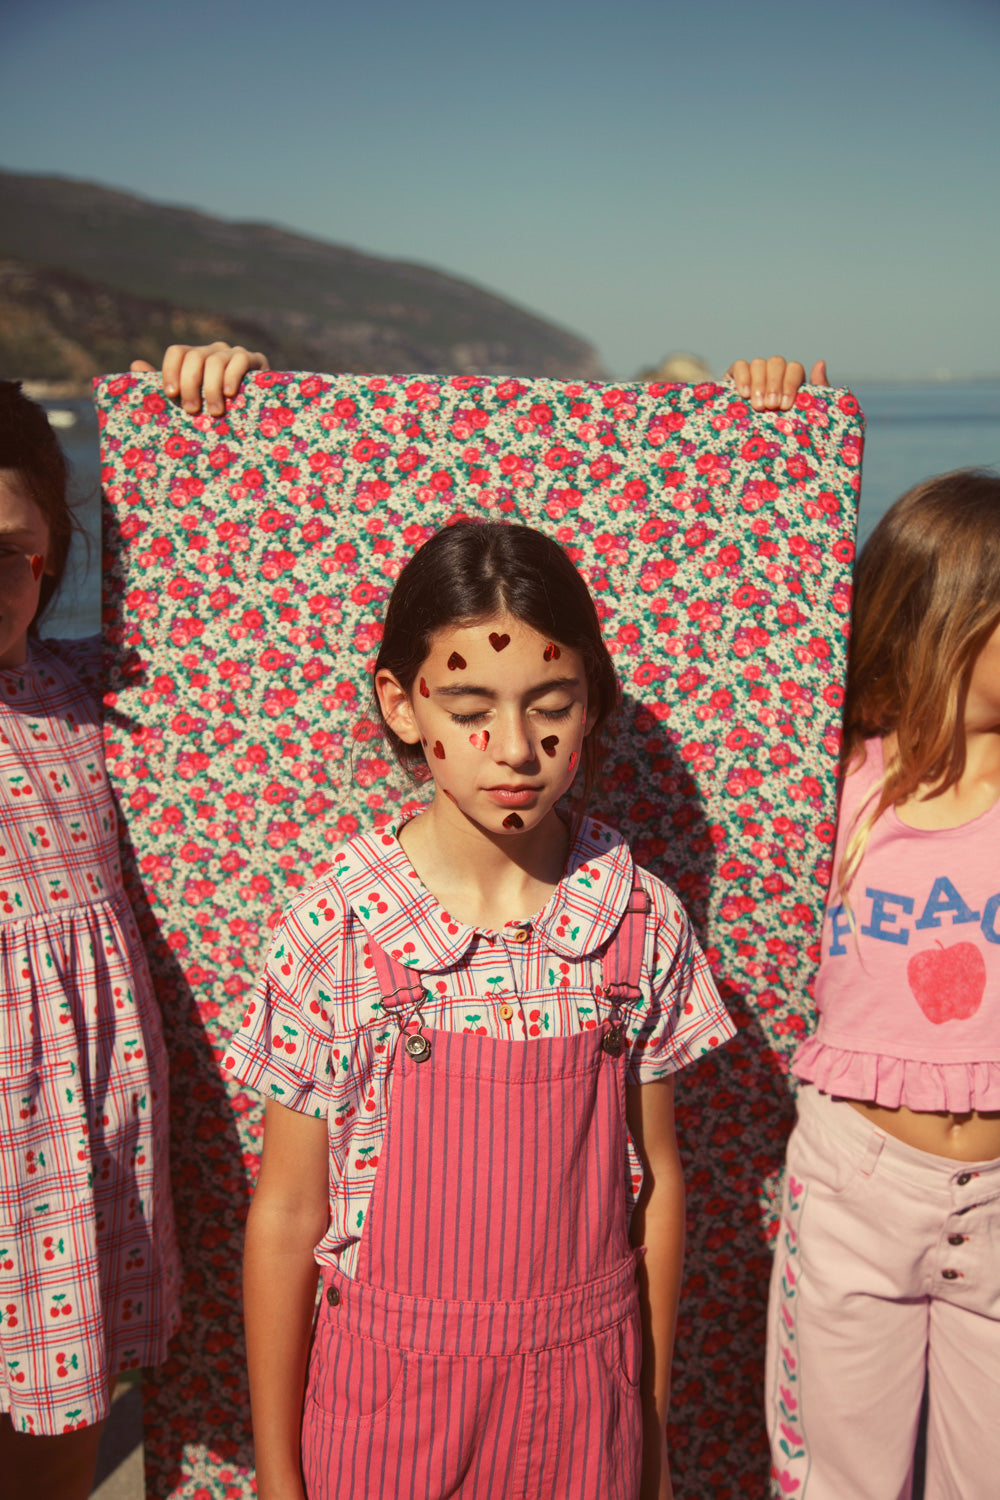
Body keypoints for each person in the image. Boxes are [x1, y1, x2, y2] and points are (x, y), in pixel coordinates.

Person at [225, 517, 739, 1500]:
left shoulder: (640, 921)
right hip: (388, 1419)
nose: (515, 749)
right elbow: (286, 1214)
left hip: (586, 1412)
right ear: (401, 703)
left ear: (591, 703)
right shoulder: (335, 930)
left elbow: (658, 1184)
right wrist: (277, 1474)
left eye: (551, 705)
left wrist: (650, 1428)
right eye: (469, 707)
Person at [0, 350, 266, 1500]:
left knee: (54, 1439)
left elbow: (248, 631)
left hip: (65, 1158)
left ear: (51, 555)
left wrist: (214, 426)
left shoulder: (93, 694)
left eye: (5, 551)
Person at [765, 470, 1000, 1500]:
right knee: (838, 1485)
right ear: (948, 614)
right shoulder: (840, 782)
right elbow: (741, 631)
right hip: (856, 1186)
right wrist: (775, 429)